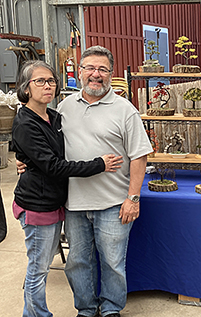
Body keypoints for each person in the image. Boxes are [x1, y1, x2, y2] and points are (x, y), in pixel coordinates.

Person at [12, 60, 123, 317]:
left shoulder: (52, 116)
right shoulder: (26, 122)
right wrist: (99, 164)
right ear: (26, 88)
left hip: (56, 201)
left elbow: (54, 150)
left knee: (44, 264)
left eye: (51, 80)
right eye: (39, 81)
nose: (47, 86)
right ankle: (36, 314)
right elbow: (53, 166)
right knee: (38, 270)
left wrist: (23, 156)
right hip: (37, 205)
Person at [58, 46, 152, 317]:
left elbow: (139, 156)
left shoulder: (125, 110)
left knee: (112, 262)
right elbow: (49, 148)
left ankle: (111, 309)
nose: (95, 75)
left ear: (111, 74)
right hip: (74, 202)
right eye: (89, 68)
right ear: (80, 72)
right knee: (77, 262)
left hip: (113, 203)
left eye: (102, 69)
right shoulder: (64, 107)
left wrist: (132, 198)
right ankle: (86, 310)